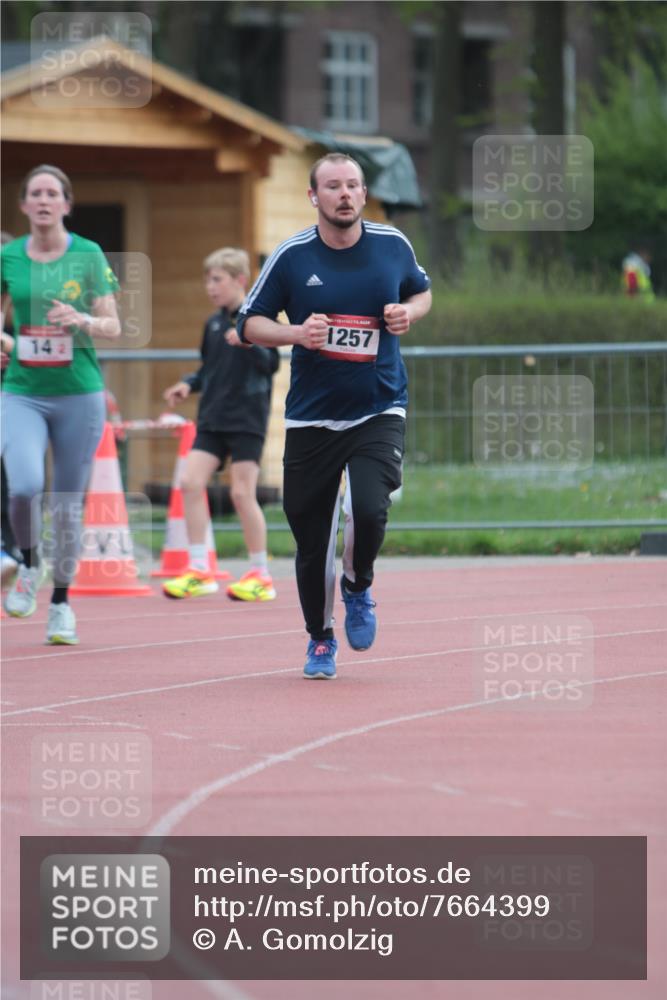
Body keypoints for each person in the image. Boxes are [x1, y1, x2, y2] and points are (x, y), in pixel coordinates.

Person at [238, 153, 432, 679]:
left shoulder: (393, 245)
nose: (344, 194)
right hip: (312, 419)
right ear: (313, 196)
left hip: (378, 407)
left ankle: (358, 585)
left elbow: (421, 289)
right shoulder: (293, 257)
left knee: (370, 510)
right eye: (332, 186)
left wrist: (407, 313)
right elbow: (249, 323)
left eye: (352, 186)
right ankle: (320, 638)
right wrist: (297, 333)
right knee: (312, 543)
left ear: (364, 195)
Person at [1, 165, 121, 643]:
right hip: (22, 391)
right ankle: (29, 564)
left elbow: (113, 325)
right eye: (36, 193)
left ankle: (61, 604)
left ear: (67, 204)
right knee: (26, 486)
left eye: (53, 193)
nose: (45, 200)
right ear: (25, 205)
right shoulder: (9, 257)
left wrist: (83, 319)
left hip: (78, 392)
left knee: (69, 506)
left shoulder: (88, 254)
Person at [162, 248, 280, 602]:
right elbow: (208, 369)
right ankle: (200, 568)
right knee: (189, 482)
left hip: (247, 419)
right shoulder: (213, 324)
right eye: (207, 280)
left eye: (218, 280)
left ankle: (261, 573)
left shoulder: (259, 319)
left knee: (242, 493)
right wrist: (188, 383)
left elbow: (270, 363)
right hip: (213, 418)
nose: (210, 287)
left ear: (240, 280)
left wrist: (248, 341)